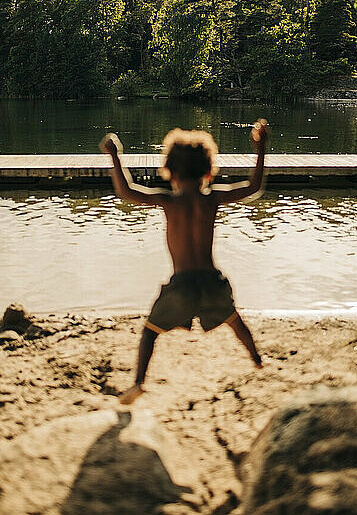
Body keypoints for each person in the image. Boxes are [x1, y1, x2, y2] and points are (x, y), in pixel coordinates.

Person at [99, 119, 269, 404]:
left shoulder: (169, 202)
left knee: (150, 332)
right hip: (211, 281)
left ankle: (139, 383)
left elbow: (127, 191)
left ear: (171, 170)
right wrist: (261, 148)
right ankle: (257, 360)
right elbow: (253, 187)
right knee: (234, 320)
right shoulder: (212, 199)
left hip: (182, 284)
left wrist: (115, 157)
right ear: (207, 170)